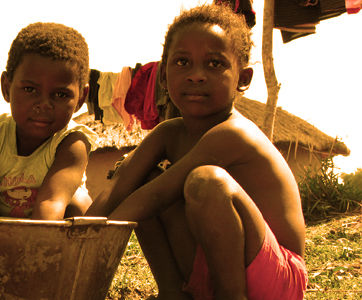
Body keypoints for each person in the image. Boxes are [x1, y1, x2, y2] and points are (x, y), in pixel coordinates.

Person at [85, 4, 307, 300]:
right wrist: (72, 239)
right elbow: (119, 186)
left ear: (243, 78)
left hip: (278, 278)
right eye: (182, 63)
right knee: (141, 177)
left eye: (214, 64)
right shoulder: (168, 132)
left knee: (207, 182)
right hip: (216, 267)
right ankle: (173, 292)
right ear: (163, 76)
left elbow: (157, 195)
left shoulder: (234, 133)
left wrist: (92, 238)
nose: (196, 75)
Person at [0, 22, 97, 220]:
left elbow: (51, 206)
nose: (44, 105)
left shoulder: (72, 143)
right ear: (6, 88)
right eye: (30, 90)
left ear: (81, 99)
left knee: (80, 204)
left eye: (60, 94)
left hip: (52, 231)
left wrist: (34, 248)